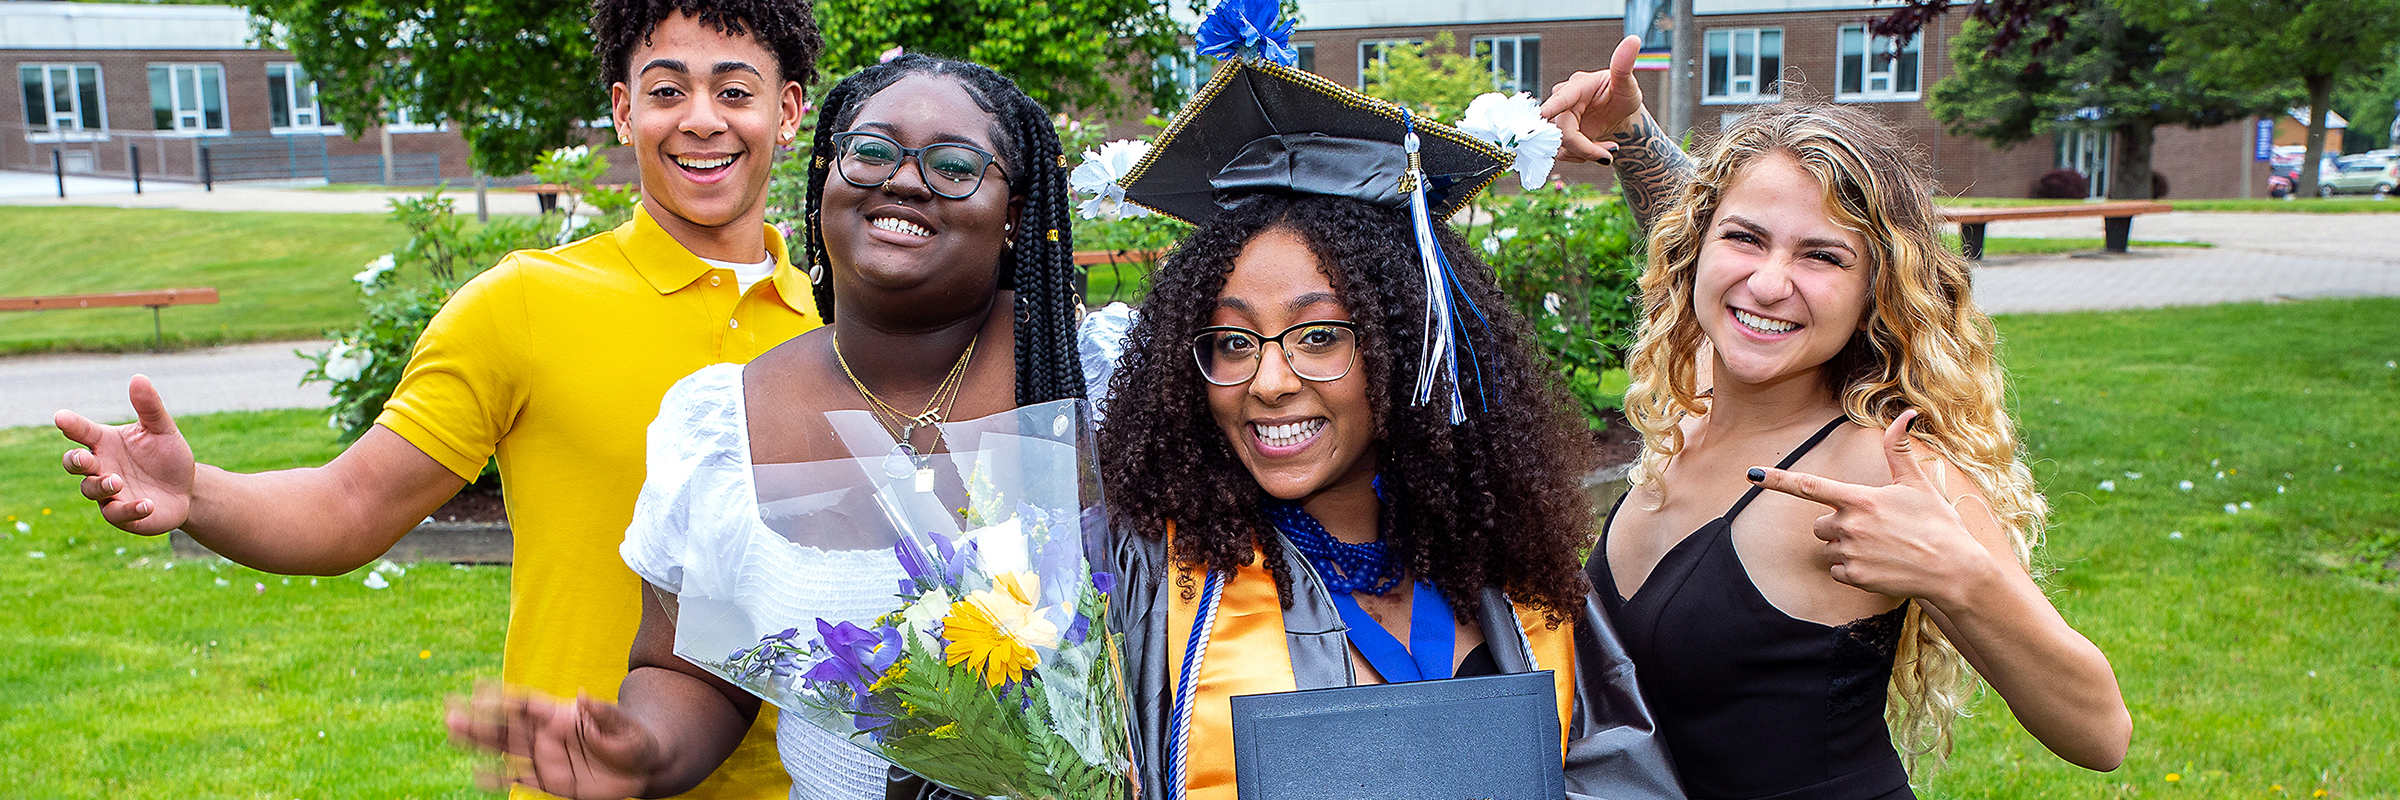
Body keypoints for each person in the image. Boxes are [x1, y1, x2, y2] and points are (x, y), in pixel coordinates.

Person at [53, 2, 825, 796]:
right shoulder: (525, 305)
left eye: (735, 92)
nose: (701, 120)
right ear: (625, 113)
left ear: (788, 111)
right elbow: (350, 504)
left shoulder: (840, 331)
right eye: (667, 92)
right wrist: (196, 493)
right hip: (581, 780)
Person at [442, 54, 1095, 800]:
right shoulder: (723, 426)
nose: (904, 180)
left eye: (953, 165)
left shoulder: (1098, 386)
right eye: (873, 152)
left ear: (1014, 211)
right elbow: (691, 672)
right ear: (827, 178)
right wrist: (642, 751)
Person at [1546, 40, 2132, 799]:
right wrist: (1628, 133)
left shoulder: (1878, 467)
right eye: (1745, 239)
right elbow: (1698, 227)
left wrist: (1958, 576)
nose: (1767, 282)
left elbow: (2101, 733)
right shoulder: (1693, 399)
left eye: (1822, 257)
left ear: (1874, 293)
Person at [1099, 55, 1683, 800]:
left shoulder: (1511, 562)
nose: (1269, 383)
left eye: (1319, 337)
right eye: (1233, 342)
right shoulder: (1153, 581)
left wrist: (1635, 140)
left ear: (1407, 346)